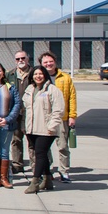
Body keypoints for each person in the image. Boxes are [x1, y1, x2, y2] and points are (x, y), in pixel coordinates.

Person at [22, 65, 65, 194]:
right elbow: (26, 110)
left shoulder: (53, 90)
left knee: (40, 154)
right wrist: (25, 127)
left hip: (46, 129)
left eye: (40, 74)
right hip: (32, 128)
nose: (38, 76)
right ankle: (47, 179)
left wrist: (51, 126)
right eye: (35, 74)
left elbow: (58, 110)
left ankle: (35, 181)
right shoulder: (30, 89)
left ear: (45, 75)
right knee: (41, 154)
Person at [41, 52, 77, 183]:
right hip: (45, 118)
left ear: (55, 62)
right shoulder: (39, 77)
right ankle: (47, 171)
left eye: (50, 61)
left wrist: (72, 116)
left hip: (62, 118)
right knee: (45, 147)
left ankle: (64, 171)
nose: (48, 64)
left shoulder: (65, 78)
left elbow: (72, 97)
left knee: (62, 146)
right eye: (45, 62)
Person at [6, 51, 33, 174]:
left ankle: (35, 164)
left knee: (32, 139)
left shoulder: (34, 73)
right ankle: (17, 164)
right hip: (15, 112)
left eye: (23, 58)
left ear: (27, 59)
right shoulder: (10, 75)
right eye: (18, 59)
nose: (20, 60)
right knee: (16, 139)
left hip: (31, 112)